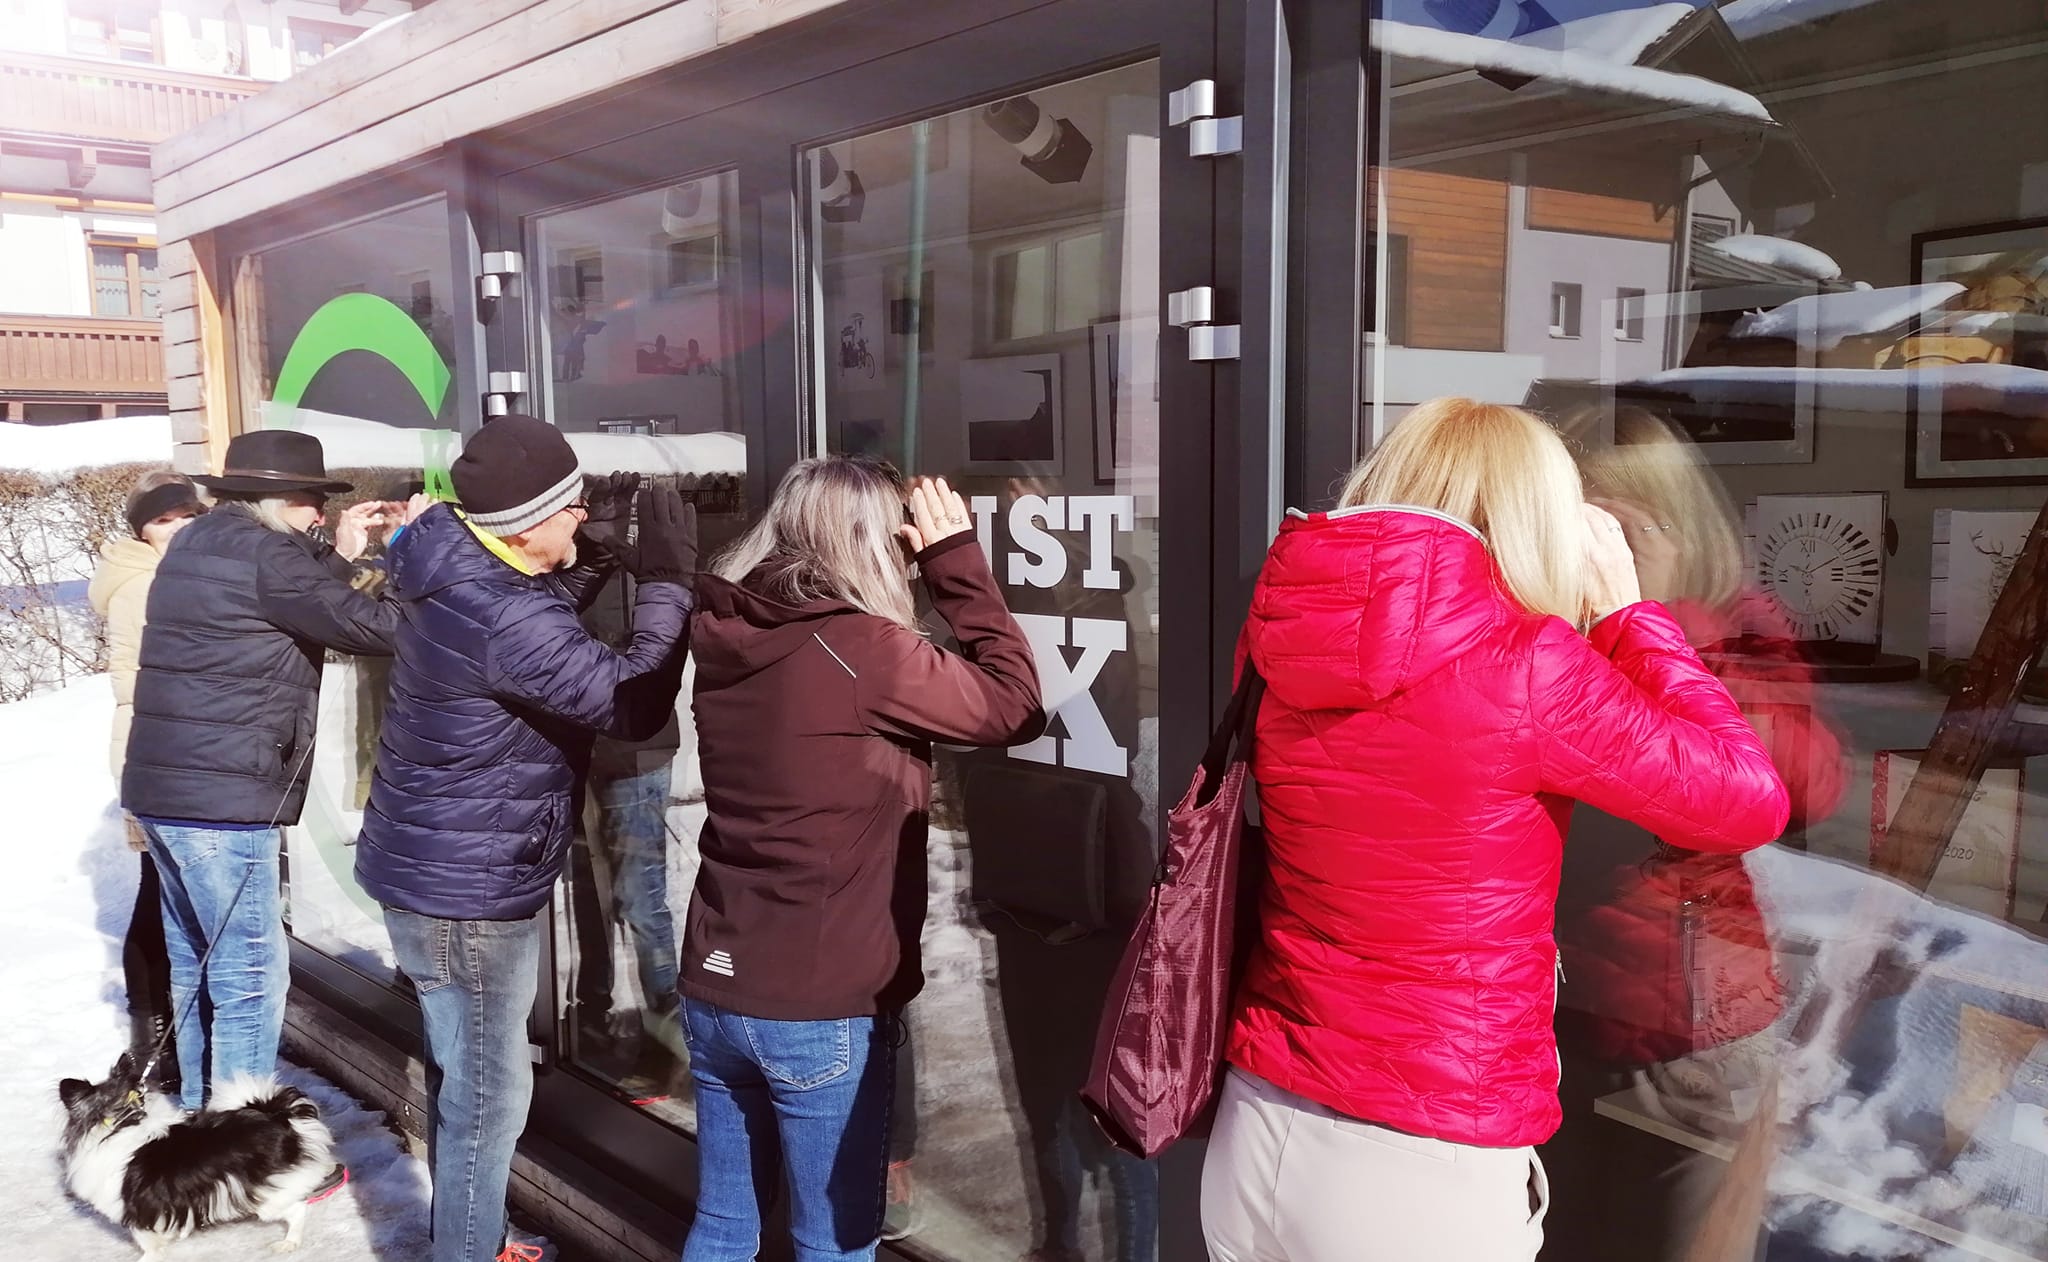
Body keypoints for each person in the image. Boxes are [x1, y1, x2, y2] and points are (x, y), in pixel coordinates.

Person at [1199, 397, 1791, 1262]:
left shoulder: (1284, 631)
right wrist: (1631, 612)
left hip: (1262, 1113)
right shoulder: (1525, 664)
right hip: (1420, 1158)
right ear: (1537, 518)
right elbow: (1746, 799)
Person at [681, 457, 1045, 1262]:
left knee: (723, 1225)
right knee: (833, 1242)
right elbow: (1015, 706)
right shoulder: (862, 650)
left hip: (718, 982)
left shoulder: (726, 630)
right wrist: (954, 561)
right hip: (817, 1004)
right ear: (876, 547)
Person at [354, 415, 696, 1262]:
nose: (583, 515)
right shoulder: (500, 612)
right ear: (528, 521)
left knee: (460, 1078)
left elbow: (526, 624)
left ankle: (477, 1235)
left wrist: (603, 559)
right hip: (469, 893)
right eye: (573, 506)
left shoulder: (454, 563)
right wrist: (666, 585)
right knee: (489, 1098)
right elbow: (633, 700)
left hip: (430, 869)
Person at [122, 429, 406, 1118]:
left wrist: (337, 548)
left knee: (196, 959)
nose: (318, 513)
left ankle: (202, 1113)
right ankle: (241, 1139)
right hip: (221, 800)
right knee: (250, 971)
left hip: (168, 793)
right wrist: (411, 550)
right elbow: (379, 629)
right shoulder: (266, 557)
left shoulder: (204, 540)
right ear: (278, 499)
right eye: (313, 500)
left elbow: (301, 588)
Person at [89, 471, 208, 1092]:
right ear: (143, 531)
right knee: (159, 895)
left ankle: (164, 1032)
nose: (181, 525)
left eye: (190, 513)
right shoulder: (144, 585)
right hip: (152, 755)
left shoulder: (172, 573)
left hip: (165, 755)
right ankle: (154, 1036)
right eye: (166, 519)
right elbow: (140, 683)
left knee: (165, 891)